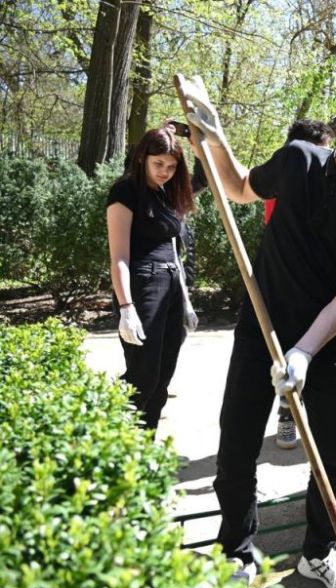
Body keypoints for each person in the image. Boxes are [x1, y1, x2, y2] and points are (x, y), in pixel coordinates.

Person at [183, 83, 336, 588]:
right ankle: (236, 551)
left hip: (327, 341)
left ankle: (317, 554)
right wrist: (216, 140)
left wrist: (305, 351)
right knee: (237, 443)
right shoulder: (297, 161)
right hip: (261, 325)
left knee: (331, 455)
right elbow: (239, 188)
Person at [106, 124, 198, 433]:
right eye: (158, 164)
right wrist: (126, 307)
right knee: (141, 378)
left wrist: (185, 301)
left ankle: (145, 450)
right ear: (142, 157)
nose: (165, 172)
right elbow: (119, 256)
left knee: (161, 381)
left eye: (171, 167)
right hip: (142, 286)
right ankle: (111, 443)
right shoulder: (125, 192)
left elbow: (173, 250)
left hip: (171, 287)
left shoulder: (166, 193)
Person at [266, 120, 336, 453]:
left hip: (320, 289)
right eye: (323, 150)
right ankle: (288, 414)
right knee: (288, 354)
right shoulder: (285, 182)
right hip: (289, 288)